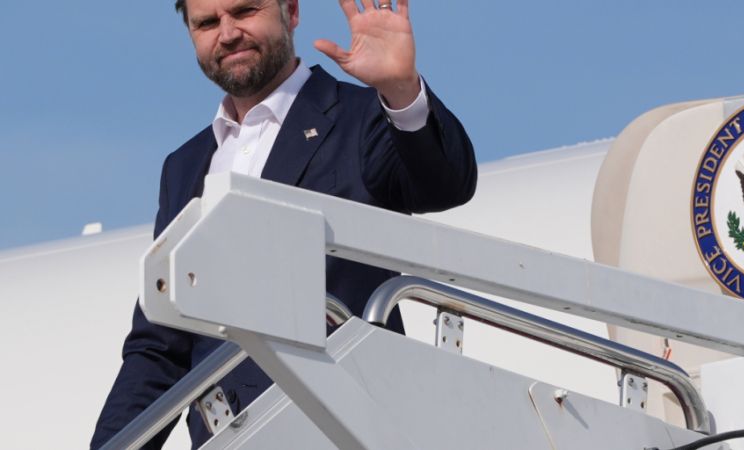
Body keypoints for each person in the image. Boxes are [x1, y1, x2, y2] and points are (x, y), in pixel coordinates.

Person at [90, 0, 476, 447]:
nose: (228, 33)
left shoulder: (362, 116)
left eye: (245, 11)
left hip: (347, 430)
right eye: (208, 23)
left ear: (290, 12)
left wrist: (402, 91)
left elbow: (445, 184)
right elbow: (160, 346)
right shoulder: (184, 167)